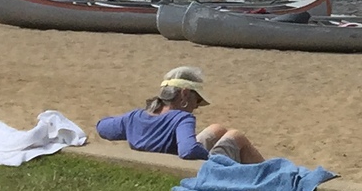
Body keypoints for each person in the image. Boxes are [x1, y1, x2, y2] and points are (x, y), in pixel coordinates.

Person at [95, 66, 261, 163]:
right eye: (197, 101)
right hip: (183, 164)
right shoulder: (182, 118)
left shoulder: (135, 117)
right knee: (236, 136)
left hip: (159, 157)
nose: (196, 107)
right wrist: (208, 157)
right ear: (184, 94)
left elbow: (102, 127)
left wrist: (133, 129)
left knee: (216, 129)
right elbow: (188, 150)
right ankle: (270, 175)